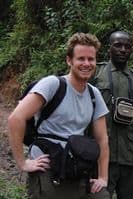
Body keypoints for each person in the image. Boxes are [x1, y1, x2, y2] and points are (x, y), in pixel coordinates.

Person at [8, 33, 110, 199]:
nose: (86, 64)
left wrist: (103, 177)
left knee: (102, 196)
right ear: (69, 61)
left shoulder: (94, 94)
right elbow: (15, 118)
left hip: (76, 165)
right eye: (81, 59)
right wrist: (22, 163)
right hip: (49, 166)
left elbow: (102, 139)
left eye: (91, 59)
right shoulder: (53, 84)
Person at [93, 31, 133, 199]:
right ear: (109, 48)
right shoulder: (96, 74)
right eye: (118, 45)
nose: (122, 50)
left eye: (127, 47)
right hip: (102, 154)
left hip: (131, 154)